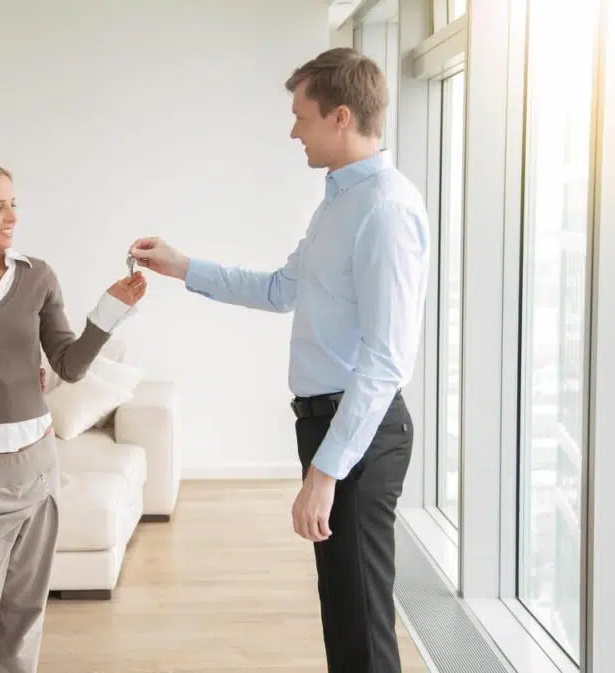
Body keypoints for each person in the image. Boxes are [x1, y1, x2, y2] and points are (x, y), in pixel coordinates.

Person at [128, 47, 429, 673]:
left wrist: (326, 471)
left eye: (302, 117)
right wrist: (182, 266)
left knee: (362, 617)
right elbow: (279, 288)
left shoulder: (384, 208)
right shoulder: (340, 202)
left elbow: (385, 359)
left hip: (358, 434)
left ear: (340, 116)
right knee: (343, 606)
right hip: (328, 426)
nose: (293, 131)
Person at [0, 159, 147, 673]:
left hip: (38, 464)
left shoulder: (36, 276)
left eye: (13, 204)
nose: (11, 217)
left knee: (24, 612)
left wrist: (108, 312)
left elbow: (68, 364)